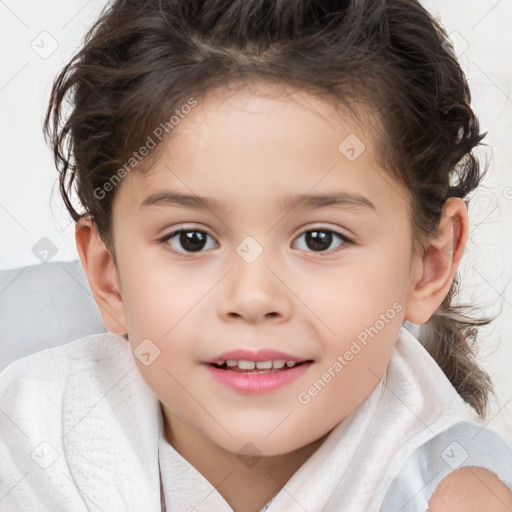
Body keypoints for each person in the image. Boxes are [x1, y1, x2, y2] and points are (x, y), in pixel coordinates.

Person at [1, 0, 511, 510]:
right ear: (108, 278)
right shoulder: (25, 444)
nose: (252, 298)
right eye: (191, 239)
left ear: (429, 265)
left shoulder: (452, 496)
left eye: (320, 239)